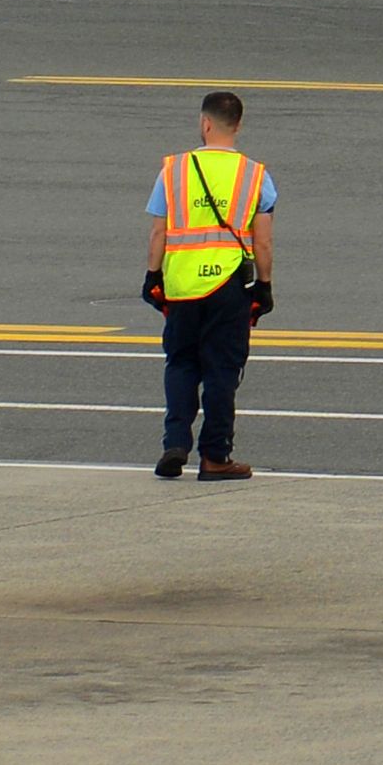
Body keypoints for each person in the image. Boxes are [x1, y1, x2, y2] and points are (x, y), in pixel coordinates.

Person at [142, 90, 276, 480]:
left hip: (181, 285)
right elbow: (263, 241)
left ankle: (175, 443)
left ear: (204, 123)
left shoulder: (173, 170)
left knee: (181, 362)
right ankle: (215, 456)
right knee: (222, 369)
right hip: (229, 286)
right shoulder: (255, 175)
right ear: (238, 125)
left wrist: (152, 277)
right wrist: (264, 286)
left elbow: (158, 233)